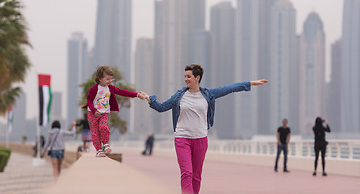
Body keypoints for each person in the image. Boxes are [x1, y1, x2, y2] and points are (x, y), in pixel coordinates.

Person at [139, 64, 268, 194]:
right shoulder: (179, 96)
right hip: (182, 138)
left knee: (196, 176)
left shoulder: (208, 94)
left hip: (200, 139)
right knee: (187, 173)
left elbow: (230, 88)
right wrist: (149, 99)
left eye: (189, 76)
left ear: (197, 78)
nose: (186, 79)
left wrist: (250, 83)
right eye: (185, 76)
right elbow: (162, 107)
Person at [82, 65, 144, 157]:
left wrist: (136, 94)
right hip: (92, 113)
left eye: (111, 79)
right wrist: (94, 110)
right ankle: (99, 150)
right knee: (95, 133)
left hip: (104, 112)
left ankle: (106, 144)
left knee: (103, 126)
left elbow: (122, 92)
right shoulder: (94, 89)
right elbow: (89, 100)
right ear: (100, 79)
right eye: (107, 79)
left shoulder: (110, 88)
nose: (110, 81)